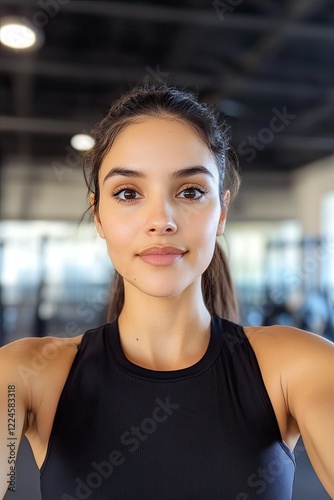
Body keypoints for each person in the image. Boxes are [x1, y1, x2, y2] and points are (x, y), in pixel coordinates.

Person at [0, 85, 333, 500]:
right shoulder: (26, 376)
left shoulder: (297, 367)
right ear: (99, 215)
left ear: (222, 213)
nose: (161, 220)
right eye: (128, 193)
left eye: (191, 191)